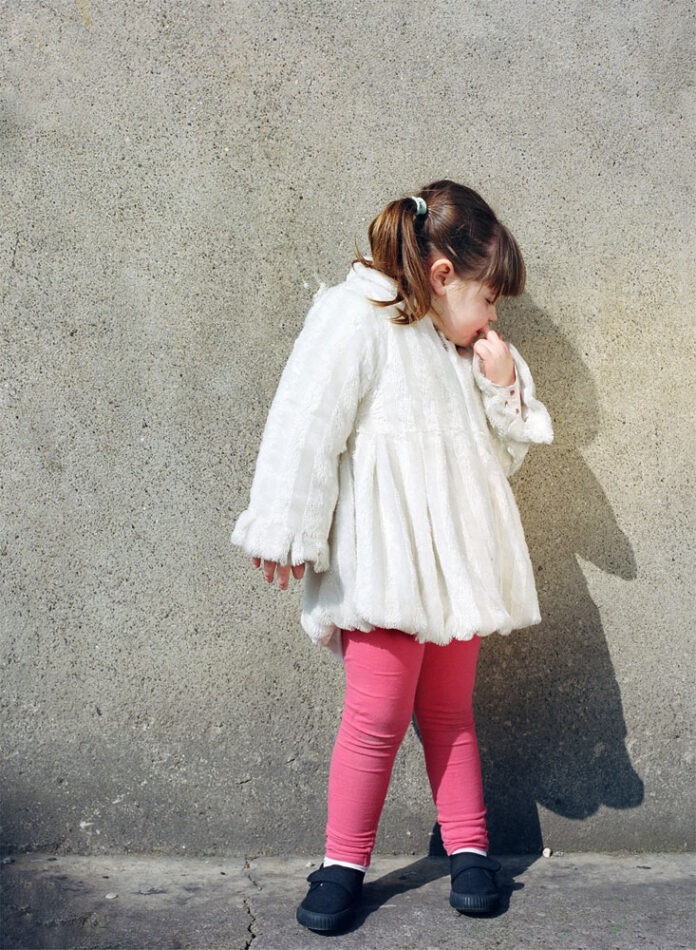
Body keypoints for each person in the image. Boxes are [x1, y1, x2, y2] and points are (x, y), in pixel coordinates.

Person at [230, 179, 553, 934]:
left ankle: (468, 848)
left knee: (450, 712)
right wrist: (285, 524)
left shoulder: (459, 349)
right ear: (442, 276)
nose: (492, 317)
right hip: (381, 564)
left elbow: (499, 459)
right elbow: (305, 421)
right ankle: (343, 862)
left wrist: (503, 384)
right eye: (488, 298)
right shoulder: (358, 314)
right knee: (374, 716)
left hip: (456, 567)